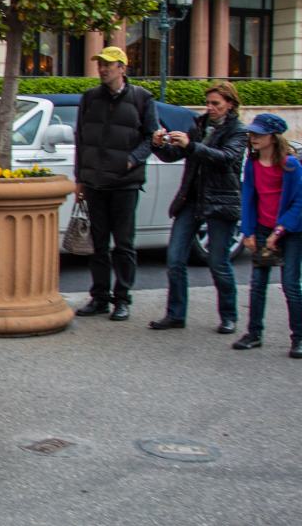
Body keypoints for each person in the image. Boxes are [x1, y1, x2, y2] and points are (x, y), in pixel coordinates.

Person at [147, 83, 247, 333]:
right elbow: (174, 155)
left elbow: (225, 159)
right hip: (191, 199)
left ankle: (229, 316)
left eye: (216, 104)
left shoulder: (238, 131)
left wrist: (190, 145)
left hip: (221, 201)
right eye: (209, 103)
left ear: (230, 104)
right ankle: (175, 314)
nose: (210, 108)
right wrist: (159, 144)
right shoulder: (200, 125)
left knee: (218, 262)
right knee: (175, 259)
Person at [73, 46, 158, 322]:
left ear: (123, 68)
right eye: (100, 64)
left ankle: (122, 298)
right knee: (98, 245)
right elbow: (81, 140)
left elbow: (151, 137)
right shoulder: (89, 98)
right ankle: (99, 297)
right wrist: (80, 179)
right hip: (95, 181)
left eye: (109, 65)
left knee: (123, 245)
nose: (103, 69)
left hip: (125, 183)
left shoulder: (143, 99)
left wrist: (134, 159)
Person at [234, 114, 302, 358]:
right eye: (251, 134)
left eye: (259, 134)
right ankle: (254, 333)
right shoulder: (251, 164)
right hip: (262, 228)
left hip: (290, 231)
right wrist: (248, 231)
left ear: (272, 137)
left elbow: (298, 203)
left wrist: (279, 231)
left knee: (291, 285)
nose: (253, 138)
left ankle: (298, 338)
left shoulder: (290, 165)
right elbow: (249, 199)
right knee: (257, 284)